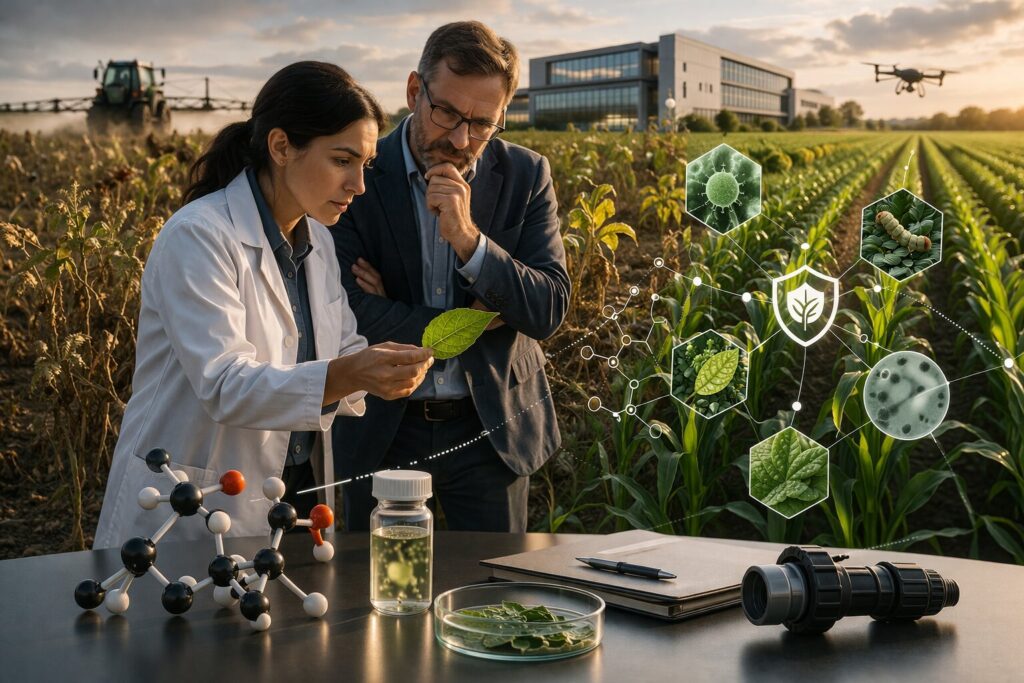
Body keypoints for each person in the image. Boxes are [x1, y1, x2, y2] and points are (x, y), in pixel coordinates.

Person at [94, 62, 434, 548]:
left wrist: (385, 366)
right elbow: (225, 383)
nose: (359, 185)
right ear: (281, 147)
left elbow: (345, 347)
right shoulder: (200, 236)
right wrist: (354, 373)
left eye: (366, 164)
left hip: (288, 499)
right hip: (191, 499)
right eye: (342, 160)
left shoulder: (315, 241)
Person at [332, 22, 569, 533]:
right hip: (381, 430)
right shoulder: (356, 172)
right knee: (372, 597)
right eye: (447, 113)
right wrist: (479, 321)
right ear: (415, 91)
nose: (462, 139)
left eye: (483, 123)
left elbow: (547, 308)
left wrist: (469, 240)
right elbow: (346, 309)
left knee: (493, 599)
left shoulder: (527, 175)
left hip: (490, 434)